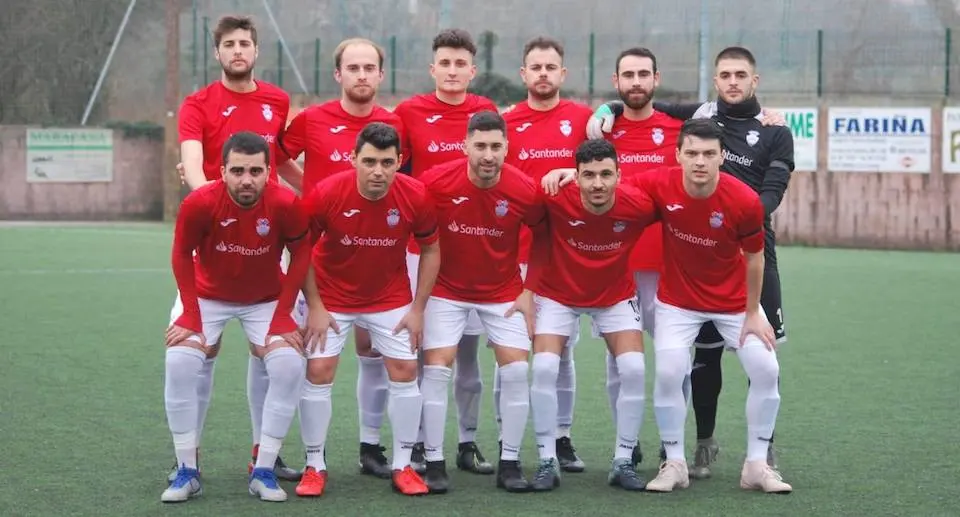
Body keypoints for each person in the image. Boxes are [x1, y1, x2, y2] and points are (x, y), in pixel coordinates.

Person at [587, 46, 794, 477]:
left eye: (741, 75)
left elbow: (772, 193)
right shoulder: (701, 114)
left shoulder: (775, 129)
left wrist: (739, 213)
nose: (733, 81)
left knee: (763, 355)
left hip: (752, 246)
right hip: (695, 251)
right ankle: (699, 443)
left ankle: (764, 451)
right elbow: (644, 100)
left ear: (754, 81)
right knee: (701, 357)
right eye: (725, 75)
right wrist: (606, 106)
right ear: (715, 81)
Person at [173, 14, 303, 483]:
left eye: (245, 43)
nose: (237, 51)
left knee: (269, 347)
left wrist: (311, 198)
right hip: (214, 226)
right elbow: (191, 162)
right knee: (200, 350)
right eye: (229, 44)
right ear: (217, 53)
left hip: (268, 230)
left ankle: (261, 452)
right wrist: (216, 203)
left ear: (256, 50)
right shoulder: (198, 103)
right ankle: (189, 457)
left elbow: (279, 160)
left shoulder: (277, 100)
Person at [635, 118, 791, 494]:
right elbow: (609, 189)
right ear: (678, 156)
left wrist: (754, 312)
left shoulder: (744, 201)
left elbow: (755, 258)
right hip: (678, 302)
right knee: (671, 370)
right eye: (691, 153)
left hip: (735, 303)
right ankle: (674, 463)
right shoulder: (659, 182)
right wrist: (564, 174)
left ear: (722, 156)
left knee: (766, 368)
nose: (700, 161)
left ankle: (756, 465)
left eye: (708, 153)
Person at [286, 122, 438, 497]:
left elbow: (431, 249)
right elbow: (300, 250)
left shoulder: (415, 195)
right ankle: (314, 466)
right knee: (319, 370)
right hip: (332, 297)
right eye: (369, 161)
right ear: (353, 158)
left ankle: (403, 465)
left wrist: (418, 308)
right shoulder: (327, 193)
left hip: (389, 297)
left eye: (387, 162)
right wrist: (316, 306)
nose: (378, 171)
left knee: (405, 370)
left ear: (399, 161)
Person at [279, 37, 406, 482]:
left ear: (380, 75)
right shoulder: (311, 119)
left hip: (377, 260)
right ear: (338, 75)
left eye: (369, 67)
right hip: (320, 263)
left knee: (373, 353)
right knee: (307, 358)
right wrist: (308, 192)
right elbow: (275, 157)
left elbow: (402, 179)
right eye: (353, 67)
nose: (361, 75)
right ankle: (301, 455)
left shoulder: (394, 122)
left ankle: (371, 447)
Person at [162, 132, 309, 503]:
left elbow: (301, 255)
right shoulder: (199, 203)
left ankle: (264, 469)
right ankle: (186, 471)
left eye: (256, 171)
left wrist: (282, 317)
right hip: (206, 296)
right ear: (222, 171)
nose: (247, 179)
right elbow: (181, 255)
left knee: (290, 364)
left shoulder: (286, 203)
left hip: (265, 300)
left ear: (268, 172)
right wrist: (192, 315)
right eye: (238, 171)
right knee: (180, 361)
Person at [392, 28, 499, 475]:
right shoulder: (409, 111)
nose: (453, 71)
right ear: (432, 68)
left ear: (472, 71)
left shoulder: (486, 112)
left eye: (461, 64)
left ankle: (467, 442)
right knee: (423, 353)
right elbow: (394, 170)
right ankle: (417, 443)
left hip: (472, 250)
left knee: (468, 357)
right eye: (445, 63)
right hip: (422, 250)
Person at [417, 111, 540, 494]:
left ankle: (510, 462)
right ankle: (434, 461)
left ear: (507, 148)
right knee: (437, 368)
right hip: (446, 291)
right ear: (466, 145)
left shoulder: (524, 189)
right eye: (481, 146)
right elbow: (413, 227)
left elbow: (545, 235)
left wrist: (529, 289)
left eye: (496, 147)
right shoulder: (434, 183)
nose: (488, 155)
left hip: (502, 292)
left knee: (518, 371)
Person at [527, 139, 656, 492]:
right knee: (543, 368)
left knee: (633, 368)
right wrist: (556, 173)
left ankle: (623, 460)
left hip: (614, 296)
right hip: (558, 295)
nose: (597, 183)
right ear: (577, 177)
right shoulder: (554, 196)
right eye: (588, 175)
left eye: (605, 174)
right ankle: (546, 460)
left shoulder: (639, 205)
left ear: (619, 175)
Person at [497, 36, 594, 472]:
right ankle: (507, 436)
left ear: (562, 74)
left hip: (564, 254)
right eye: (534, 67)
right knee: (512, 351)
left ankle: (561, 435)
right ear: (523, 74)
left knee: (562, 352)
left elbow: (605, 162)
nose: (542, 74)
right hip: (513, 253)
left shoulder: (584, 119)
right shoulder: (506, 123)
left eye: (550, 67)